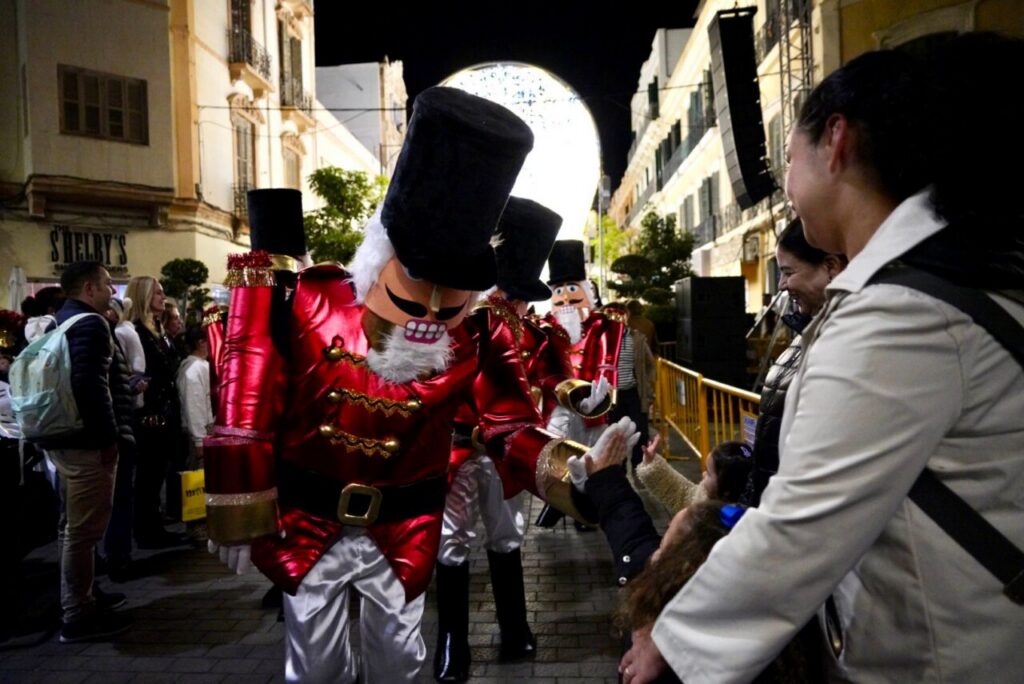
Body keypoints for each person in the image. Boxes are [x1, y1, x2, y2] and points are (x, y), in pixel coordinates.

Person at [621, 35, 1024, 683]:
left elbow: (798, 529)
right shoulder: (950, 278)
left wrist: (667, 640)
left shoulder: (899, 313)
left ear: (835, 141)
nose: (786, 184)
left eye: (788, 156)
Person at [203, 90, 637, 683]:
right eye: (416, 285)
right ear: (380, 258)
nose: (430, 311)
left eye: (450, 293)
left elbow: (509, 424)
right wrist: (238, 502)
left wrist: (576, 472)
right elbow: (248, 397)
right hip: (308, 523)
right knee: (315, 670)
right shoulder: (306, 302)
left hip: (403, 529)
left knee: (399, 665)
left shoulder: (477, 335)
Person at [434, 197, 609, 681]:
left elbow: (556, 376)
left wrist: (584, 396)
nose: (513, 302)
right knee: (451, 541)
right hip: (457, 447)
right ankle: (451, 642)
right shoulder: (457, 323)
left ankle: (514, 627)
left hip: (511, 449)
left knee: (506, 535)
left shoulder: (536, 332)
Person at [37, 261, 134, 643]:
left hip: (62, 439)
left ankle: (85, 595)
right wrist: (108, 439)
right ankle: (78, 614)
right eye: (108, 284)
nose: (113, 291)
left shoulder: (59, 321)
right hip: (86, 443)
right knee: (84, 530)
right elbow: (90, 387)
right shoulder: (91, 325)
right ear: (90, 288)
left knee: (72, 528)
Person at [741, 219, 845, 507]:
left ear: (831, 267)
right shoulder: (806, 338)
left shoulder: (844, 347)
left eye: (788, 272)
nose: (781, 285)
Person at [124, 276, 184, 549]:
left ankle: (154, 526)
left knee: (157, 471)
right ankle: (146, 531)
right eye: (158, 293)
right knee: (148, 474)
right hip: (149, 411)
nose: (163, 297)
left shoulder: (158, 329)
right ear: (145, 296)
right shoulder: (137, 331)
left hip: (166, 408)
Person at [636, 435, 753, 514]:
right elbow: (684, 495)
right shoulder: (705, 496)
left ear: (726, 488)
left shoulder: (726, 530)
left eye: (709, 473)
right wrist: (652, 465)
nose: (703, 474)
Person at [176, 325, 213, 470]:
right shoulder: (194, 369)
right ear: (201, 343)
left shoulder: (200, 366)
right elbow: (194, 407)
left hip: (206, 436)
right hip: (201, 439)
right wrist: (199, 443)